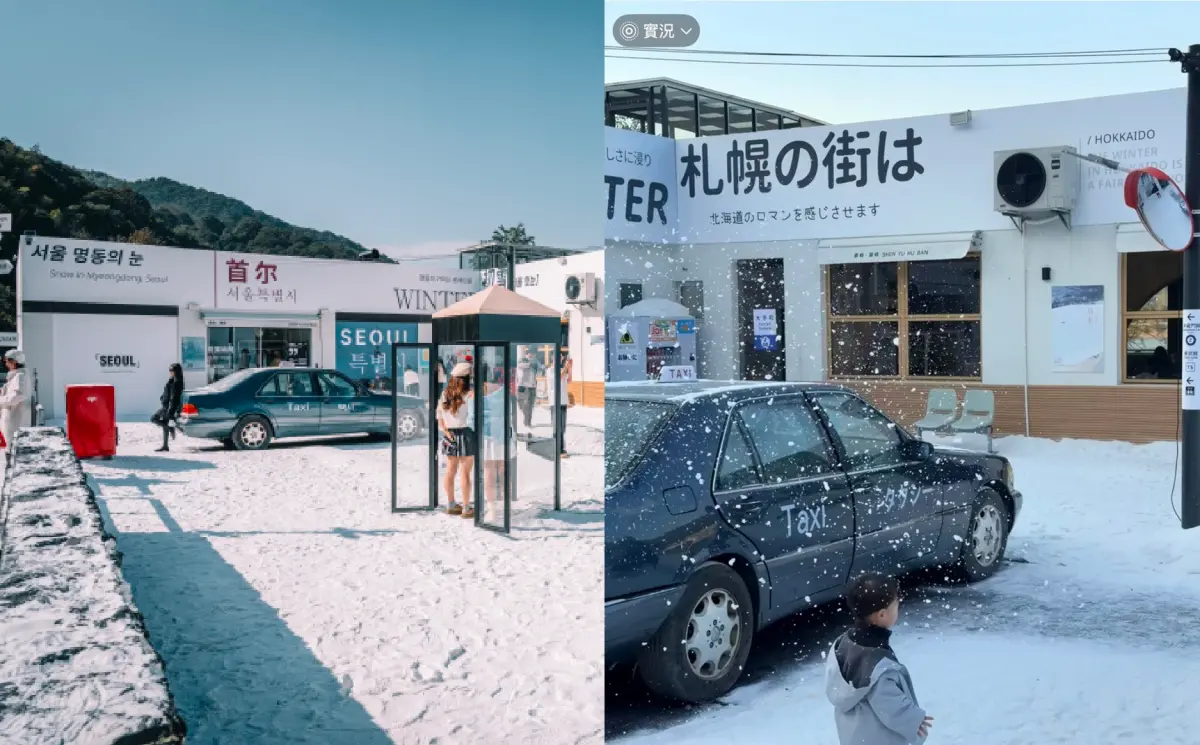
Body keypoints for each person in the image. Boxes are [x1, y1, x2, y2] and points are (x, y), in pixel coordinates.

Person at [825, 573, 932, 745]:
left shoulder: (843, 642)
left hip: (856, 732)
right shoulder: (879, 666)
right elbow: (890, 706)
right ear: (882, 614)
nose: (898, 609)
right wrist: (913, 720)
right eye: (896, 605)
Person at [437, 362, 476, 518]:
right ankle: (466, 508)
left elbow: (439, 416)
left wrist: (446, 431)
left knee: (450, 471)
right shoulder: (470, 394)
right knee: (465, 472)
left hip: (449, 434)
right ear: (466, 378)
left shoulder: (445, 394)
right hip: (466, 433)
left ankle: (451, 504)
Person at [480, 365, 507, 520]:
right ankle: (506, 504)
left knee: (489, 472)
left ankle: (492, 508)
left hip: (487, 437)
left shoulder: (477, 393)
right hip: (502, 436)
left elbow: (471, 419)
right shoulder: (502, 391)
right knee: (503, 470)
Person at [0, 350, 31, 464]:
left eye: (7, 361)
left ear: (14, 362)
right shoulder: (16, 376)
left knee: (14, 454)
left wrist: (2, 400)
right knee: (10, 450)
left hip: (15, 421)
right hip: (11, 421)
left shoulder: (20, 376)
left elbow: (18, 395)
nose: (6, 364)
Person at [155, 363, 185, 453]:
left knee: (153, 418)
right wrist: (162, 397)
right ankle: (165, 445)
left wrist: (170, 412)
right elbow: (168, 392)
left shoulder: (177, 383)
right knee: (164, 423)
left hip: (167, 407)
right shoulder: (172, 380)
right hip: (166, 405)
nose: (170, 372)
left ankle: (170, 428)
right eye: (169, 370)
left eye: (172, 370)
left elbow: (173, 398)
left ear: (176, 372)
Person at [514, 347, 540, 429]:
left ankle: (528, 422)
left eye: (533, 353)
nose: (531, 354)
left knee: (530, 406)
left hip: (532, 387)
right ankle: (526, 419)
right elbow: (520, 365)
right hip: (522, 386)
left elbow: (540, 371)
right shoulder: (522, 360)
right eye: (529, 353)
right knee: (522, 405)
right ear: (526, 354)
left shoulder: (536, 363)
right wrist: (530, 364)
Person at [557, 351, 572, 459]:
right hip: (555, 402)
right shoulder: (550, 370)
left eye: (561, 357)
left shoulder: (562, 369)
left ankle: (561, 447)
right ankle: (559, 449)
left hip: (563, 401)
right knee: (558, 427)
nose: (561, 359)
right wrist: (566, 366)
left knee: (562, 427)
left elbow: (569, 380)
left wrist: (570, 368)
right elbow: (559, 377)